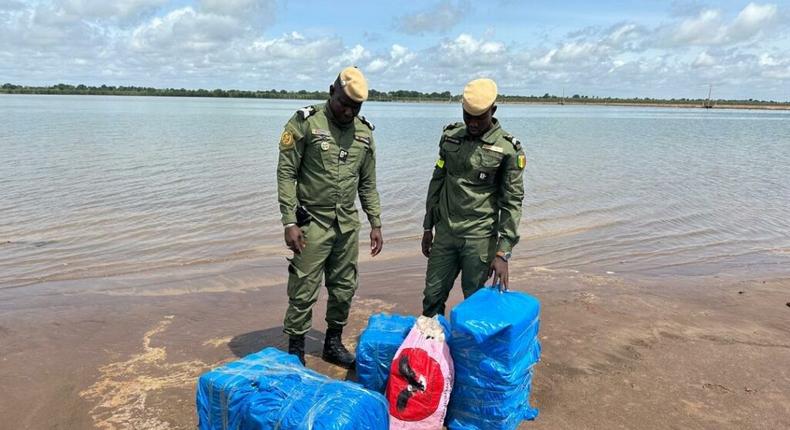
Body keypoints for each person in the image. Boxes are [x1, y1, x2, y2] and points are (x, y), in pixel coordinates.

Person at [276, 66, 383, 368]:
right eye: (344, 103)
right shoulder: (305, 123)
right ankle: (296, 351)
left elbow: (367, 183)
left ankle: (332, 344)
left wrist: (375, 222)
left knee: (344, 287)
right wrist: (289, 221)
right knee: (303, 287)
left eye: (356, 107)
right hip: (311, 223)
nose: (349, 111)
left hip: (347, 225)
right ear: (331, 90)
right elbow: (286, 174)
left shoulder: (363, 133)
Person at [421, 78, 526, 317]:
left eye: (480, 117)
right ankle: (432, 349)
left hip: (479, 238)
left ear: (493, 111)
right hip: (445, 233)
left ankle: (470, 353)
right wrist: (428, 227)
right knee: (432, 297)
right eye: (468, 117)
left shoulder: (508, 149)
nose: (473, 123)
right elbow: (438, 181)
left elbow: (512, 202)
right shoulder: (450, 137)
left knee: (475, 304)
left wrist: (503, 252)